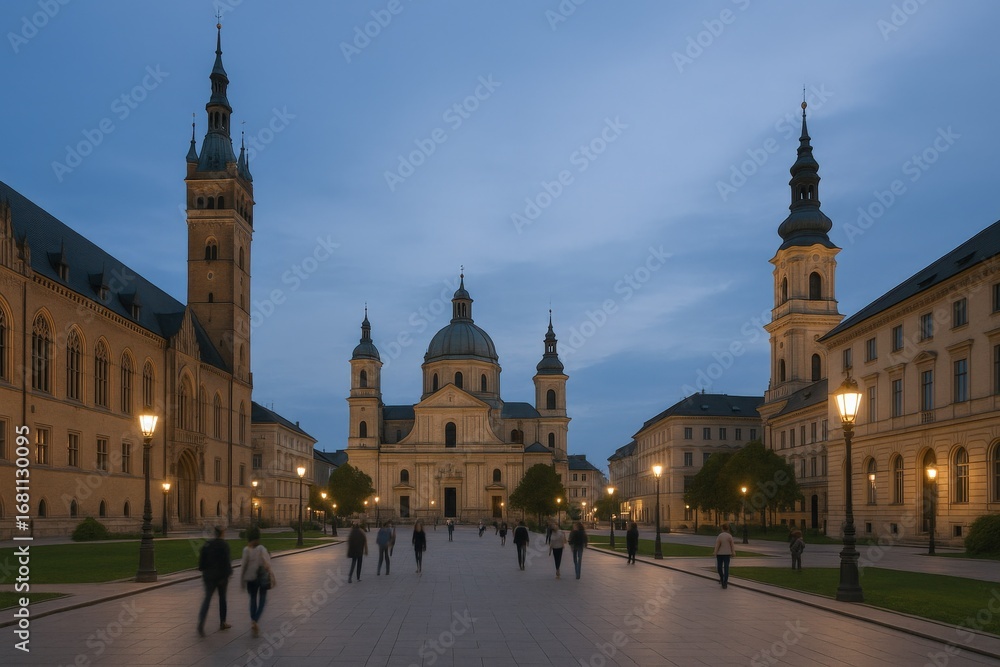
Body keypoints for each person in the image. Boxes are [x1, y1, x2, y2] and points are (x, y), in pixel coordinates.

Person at [197, 525, 233, 637]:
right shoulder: (224, 545)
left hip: (208, 576)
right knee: (222, 599)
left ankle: (201, 622)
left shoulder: (207, 544)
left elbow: (201, 563)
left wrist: (204, 571)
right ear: (222, 534)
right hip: (221, 577)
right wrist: (227, 575)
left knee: (207, 599)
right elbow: (226, 562)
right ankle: (223, 622)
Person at [240, 526, 275, 638]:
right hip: (262, 578)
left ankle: (252, 620)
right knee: (263, 600)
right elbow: (267, 563)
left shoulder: (246, 550)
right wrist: (272, 575)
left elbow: (243, 566)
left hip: (250, 578)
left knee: (253, 599)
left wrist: (242, 579)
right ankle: (255, 620)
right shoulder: (261, 548)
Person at [714, 523, 736, 589]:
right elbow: (732, 545)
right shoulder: (729, 536)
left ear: (722, 528)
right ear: (728, 528)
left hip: (720, 554)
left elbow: (717, 544)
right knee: (726, 568)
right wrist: (733, 552)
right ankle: (725, 582)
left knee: (719, 567)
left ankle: (722, 578)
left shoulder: (720, 536)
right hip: (727, 554)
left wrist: (715, 552)